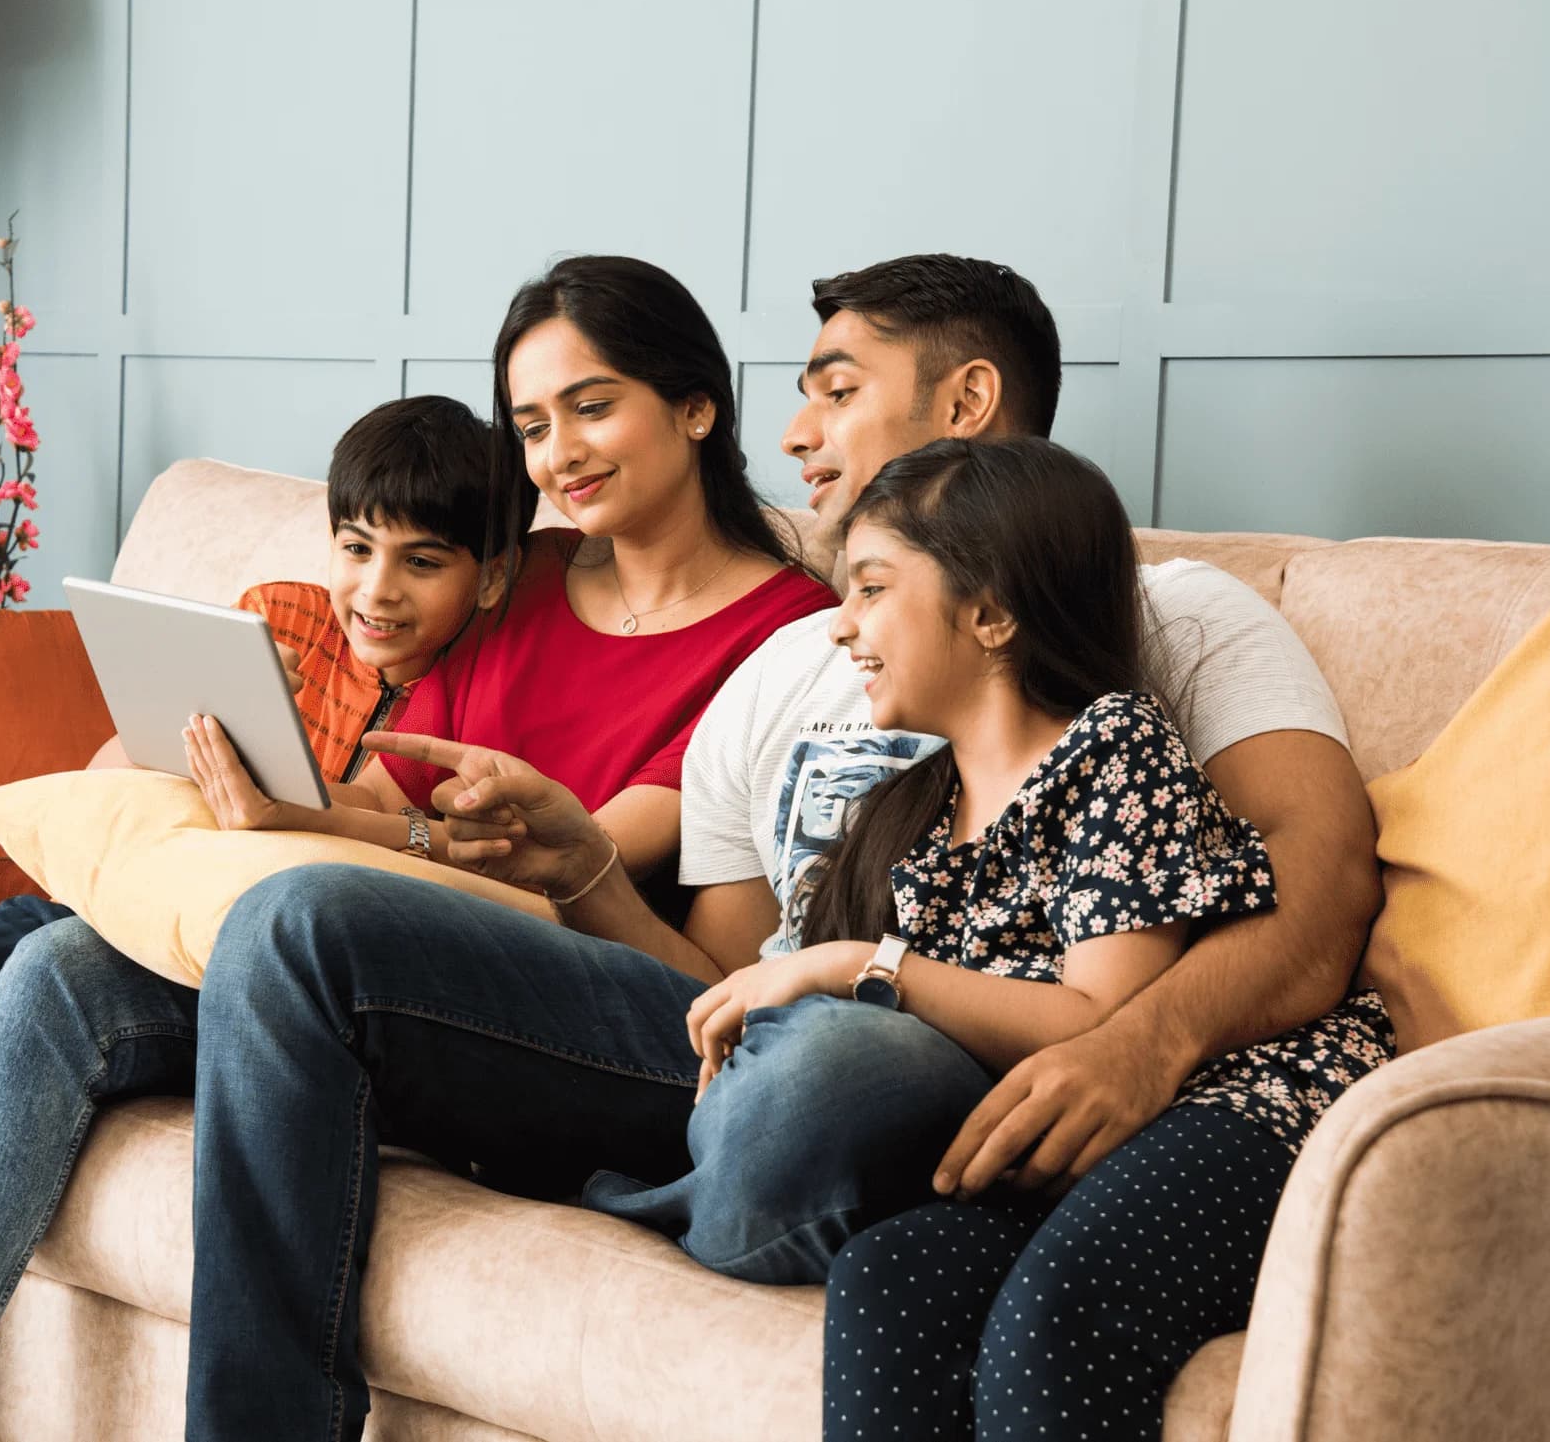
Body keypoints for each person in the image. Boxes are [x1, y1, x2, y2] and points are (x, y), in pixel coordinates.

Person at [168, 254, 1383, 1439]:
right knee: (296, 923)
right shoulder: (789, 667)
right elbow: (715, 981)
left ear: (963, 405)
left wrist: (1137, 1044)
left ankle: (633, 1177)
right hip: (740, 1049)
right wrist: (580, 862)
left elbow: (1319, 896)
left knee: (829, 1070)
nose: (796, 434)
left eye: (836, 389)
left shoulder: (1159, 617)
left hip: (920, 1054)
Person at [0, 255, 834, 1442]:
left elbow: (539, 856)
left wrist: (310, 827)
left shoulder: (786, 633)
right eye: (531, 421)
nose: (559, 450)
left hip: (573, 987)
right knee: (54, 974)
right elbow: (380, 789)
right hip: (374, 958)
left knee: (295, 913)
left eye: (593, 403)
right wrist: (258, 794)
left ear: (697, 405)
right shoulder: (529, 576)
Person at [0, 392, 521, 1442]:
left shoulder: (477, 699)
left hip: (177, 962)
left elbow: (432, 871)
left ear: (487, 574)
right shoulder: (278, 613)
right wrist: (206, 728)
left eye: (422, 562)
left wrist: (311, 808)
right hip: (99, 887)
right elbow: (102, 771)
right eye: (357, 546)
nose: (376, 590)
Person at [588, 435, 1395, 1440]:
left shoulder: (1116, 748)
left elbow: (1101, 1016)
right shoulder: (917, 815)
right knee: (889, 1276)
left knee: (1061, 1318)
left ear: (993, 612)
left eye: (873, 588)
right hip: (1057, 1133)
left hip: (1241, 1100)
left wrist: (857, 966)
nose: (842, 627)